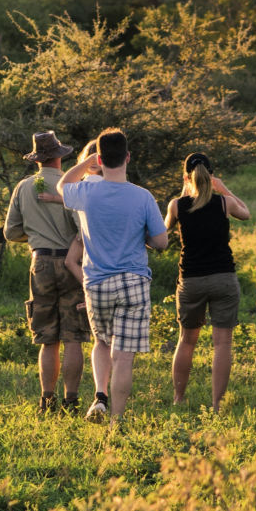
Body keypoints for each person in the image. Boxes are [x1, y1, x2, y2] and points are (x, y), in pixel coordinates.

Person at [58, 128, 168, 423]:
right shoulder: (143, 197)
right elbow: (161, 242)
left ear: (100, 159)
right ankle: (117, 421)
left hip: (96, 283)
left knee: (102, 343)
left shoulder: (85, 192)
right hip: (133, 281)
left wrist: (84, 163)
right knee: (124, 356)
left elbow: (62, 185)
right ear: (128, 157)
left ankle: (99, 397)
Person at [3, 129, 90, 415]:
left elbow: (10, 232)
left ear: (37, 159)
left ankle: (47, 400)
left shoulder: (24, 186)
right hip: (71, 262)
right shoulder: (72, 186)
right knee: (73, 335)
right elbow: (83, 229)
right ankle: (72, 400)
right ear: (60, 157)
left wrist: (36, 236)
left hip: (39, 262)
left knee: (47, 337)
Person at [164, 152, 250, 413]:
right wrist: (223, 188)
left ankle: (179, 397)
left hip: (191, 280)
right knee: (222, 343)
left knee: (187, 340)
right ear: (211, 176)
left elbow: (161, 234)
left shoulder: (177, 205)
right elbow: (245, 213)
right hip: (224, 278)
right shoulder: (224, 203)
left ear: (186, 176)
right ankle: (216, 404)